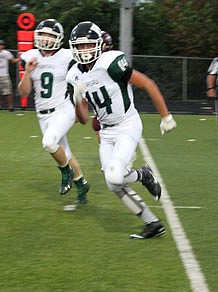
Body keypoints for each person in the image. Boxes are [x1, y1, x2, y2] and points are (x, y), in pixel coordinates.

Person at [67, 21, 177, 239]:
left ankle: (143, 174)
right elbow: (82, 119)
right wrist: (77, 99)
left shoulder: (111, 63)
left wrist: (166, 116)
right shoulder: (74, 75)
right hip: (106, 132)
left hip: (127, 124)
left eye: (88, 45)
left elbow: (148, 84)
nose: (84, 51)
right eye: (79, 47)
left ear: (98, 45)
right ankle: (152, 223)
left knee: (116, 175)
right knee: (112, 183)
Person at [18, 19, 90, 206]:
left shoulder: (67, 56)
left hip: (63, 109)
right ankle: (81, 183)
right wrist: (27, 72)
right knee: (64, 151)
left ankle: (65, 172)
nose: (46, 38)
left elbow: (85, 66)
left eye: (50, 35)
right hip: (43, 114)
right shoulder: (29, 57)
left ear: (58, 38)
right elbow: (24, 92)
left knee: (49, 142)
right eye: (43, 34)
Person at [0, 39, 19, 111]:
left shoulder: (7, 53)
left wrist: (18, 60)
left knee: (8, 92)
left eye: (1, 45)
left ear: (3, 46)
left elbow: (12, 60)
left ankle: (11, 107)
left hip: (5, 75)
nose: (0, 46)